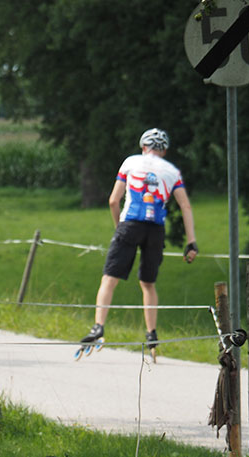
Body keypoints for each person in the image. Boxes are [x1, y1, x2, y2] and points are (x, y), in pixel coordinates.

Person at [78, 128, 198, 355]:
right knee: (148, 284)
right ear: (164, 150)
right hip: (156, 230)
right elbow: (186, 206)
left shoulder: (131, 162)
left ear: (144, 147)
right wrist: (191, 242)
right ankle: (151, 335)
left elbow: (114, 200)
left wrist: (119, 228)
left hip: (130, 224)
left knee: (109, 278)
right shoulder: (172, 171)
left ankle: (98, 327)